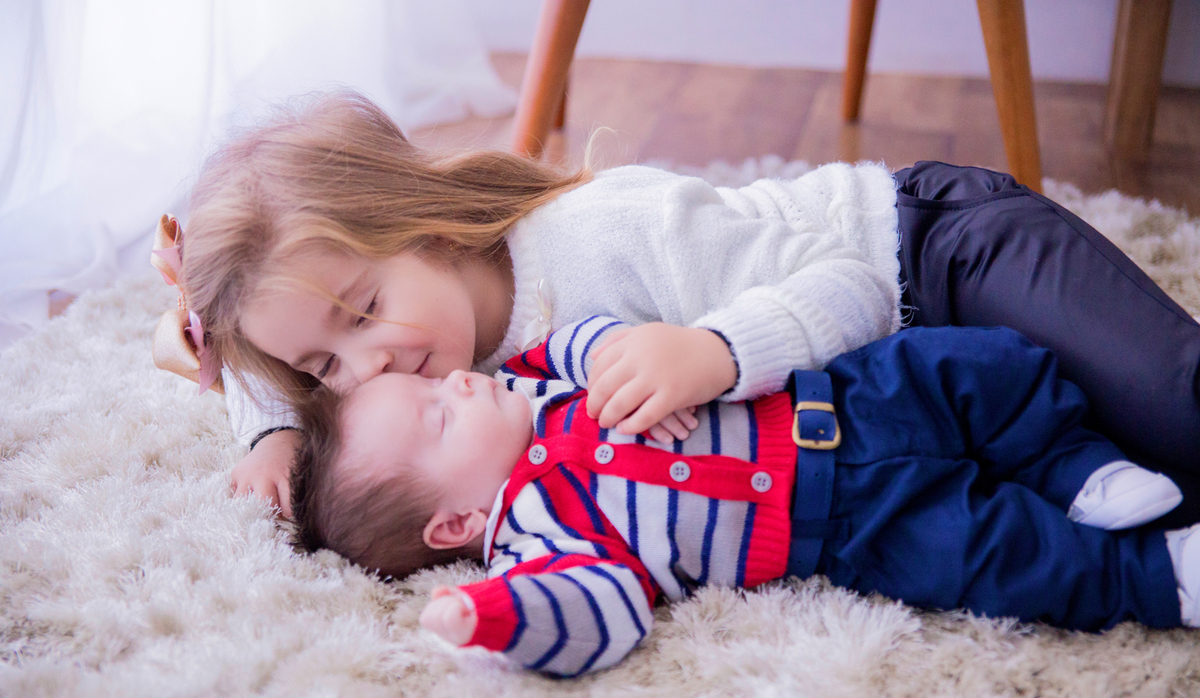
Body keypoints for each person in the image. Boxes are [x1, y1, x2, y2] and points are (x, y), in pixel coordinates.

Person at [164, 90, 1200, 521]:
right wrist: (267, 425)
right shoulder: (415, 372)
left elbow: (853, 281)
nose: (365, 373)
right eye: (323, 368)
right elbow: (285, 351)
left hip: (934, 256)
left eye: (362, 313)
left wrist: (713, 349)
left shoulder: (607, 233)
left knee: (1176, 410)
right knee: (1132, 500)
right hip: (920, 399)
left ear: (428, 226)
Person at [288, 317, 1199, 677]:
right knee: (999, 559)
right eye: (439, 417)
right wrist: (494, 616)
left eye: (433, 382)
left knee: (983, 364)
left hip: (844, 398)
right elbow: (598, 614)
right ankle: (1162, 575)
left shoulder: (537, 381)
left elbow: (589, 335)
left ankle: (1077, 470)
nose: (457, 382)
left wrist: (627, 359)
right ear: (456, 522)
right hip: (852, 531)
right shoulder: (542, 539)